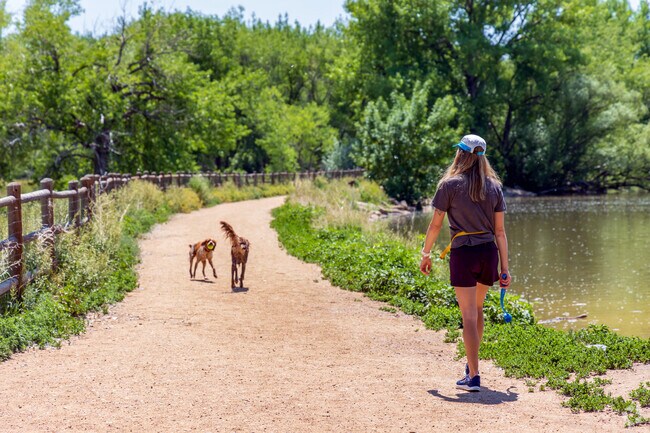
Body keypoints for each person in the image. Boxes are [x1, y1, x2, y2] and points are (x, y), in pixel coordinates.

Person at [419, 134, 510, 392]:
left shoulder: (449, 185)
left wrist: (425, 255)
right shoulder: (494, 187)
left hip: (464, 253)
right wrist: (505, 269)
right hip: (487, 253)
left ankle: (474, 375)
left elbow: (435, 224)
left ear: (460, 154)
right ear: (482, 157)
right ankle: (470, 368)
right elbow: (500, 232)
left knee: (468, 315)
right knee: (477, 310)